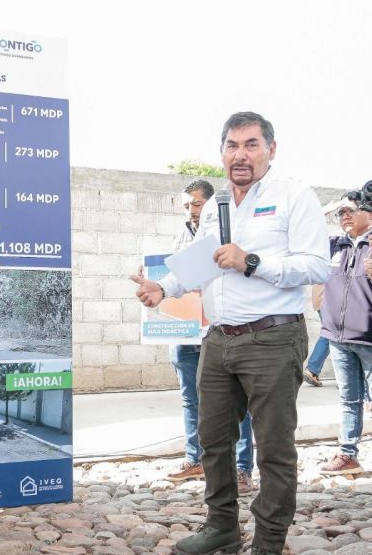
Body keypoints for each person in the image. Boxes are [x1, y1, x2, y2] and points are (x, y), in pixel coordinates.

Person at [131, 111, 329, 555]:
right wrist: (162, 288)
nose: (241, 155)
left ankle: (268, 541)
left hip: (273, 339)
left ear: (270, 151)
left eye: (251, 145)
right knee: (213, 439)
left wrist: (252, 261)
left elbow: (318, 266)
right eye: (232, 146)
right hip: (218, 340)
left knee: (274, 447)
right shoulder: (218, 203)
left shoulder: (294, 196)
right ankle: (220, 525)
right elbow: (203, 263)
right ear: (222, 152)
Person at [164, 179, 255, 496]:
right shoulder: (180, 238)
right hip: (184, 333)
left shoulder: (226, 236)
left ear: (212, 204)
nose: (191, 211)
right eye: (187, 205)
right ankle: (195, 459)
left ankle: (242, 469)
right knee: (190, 400)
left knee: (237, 404)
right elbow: (173, 280)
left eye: (196, 204)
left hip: (218, 333)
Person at [317, 195, 372, 476]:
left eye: (350, 210)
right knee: (349, 400)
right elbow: (310, 229)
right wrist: (331, 207)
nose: (344, 216)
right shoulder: (335, 244)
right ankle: (347, 453)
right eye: (340, 213)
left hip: (368, 338)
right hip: (338, 338)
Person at [303, 284, 328, 386]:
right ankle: (312, 370)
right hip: (331, 300)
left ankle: (313, 370)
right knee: (331, 336)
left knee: (331, 335)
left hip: (321, 299)